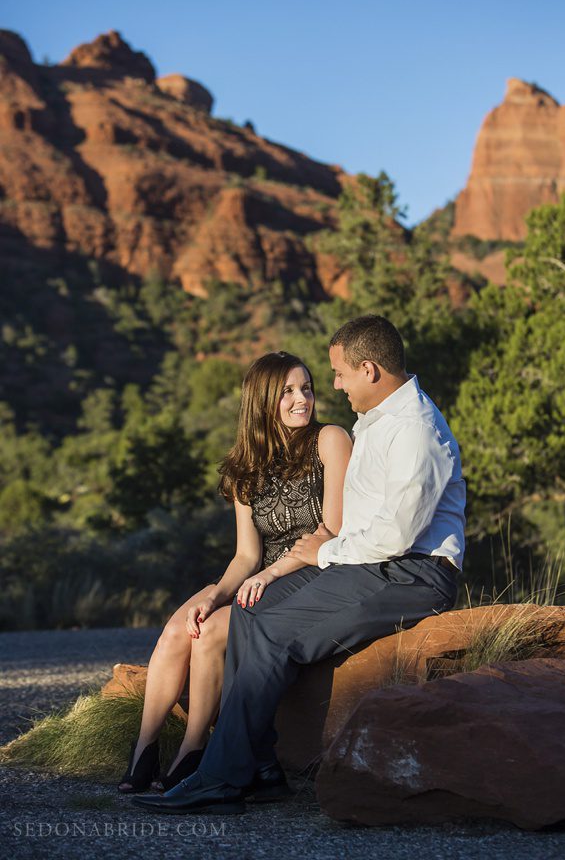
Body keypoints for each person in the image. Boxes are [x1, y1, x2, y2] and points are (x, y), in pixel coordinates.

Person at [134, 314, 466, 814]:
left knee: (272, 633)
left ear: (370, 370)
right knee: (250, 612)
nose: (332, 386)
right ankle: (263, 770)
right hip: (368, 564)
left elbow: (396, 538)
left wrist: (323, 553)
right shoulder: (377, 420)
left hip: (412, 572)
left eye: (338, 374)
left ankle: (221, 780)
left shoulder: (415, 430)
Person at [118, 351, 352, 794]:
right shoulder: (246, 466)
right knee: (181, 627)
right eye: (287, 392)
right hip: (257, 576)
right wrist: (215, 594)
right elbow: (246, 556)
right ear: (262, 401)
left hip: (310, 572)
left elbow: (333, 529)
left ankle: (193, 750)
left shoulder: (330, 440)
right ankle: (145, 749)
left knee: (210, 634)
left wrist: (265, 577)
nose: (302, 399)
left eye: (306, 388)